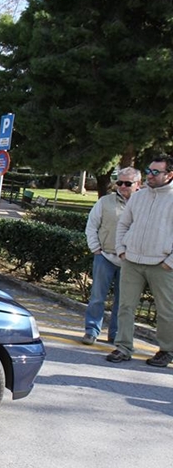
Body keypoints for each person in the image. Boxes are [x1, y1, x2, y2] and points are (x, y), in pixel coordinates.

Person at [106, 156, 173, 367]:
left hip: (162, 264)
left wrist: (170, 261)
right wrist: (121, 250)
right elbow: (124, 224)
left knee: (166, 310)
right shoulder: (138, 197)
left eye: (156, 172)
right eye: (149, 170)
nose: (150, 175)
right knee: (125, 306)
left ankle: (167, 350)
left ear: (169, 175)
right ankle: (123, 347)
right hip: (132, 260)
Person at [81, 167, 141, 345]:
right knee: (97, 297)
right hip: (105, 257)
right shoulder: (105, 201)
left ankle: (115, 334)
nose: (122, 186)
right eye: (119, 182)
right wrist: (95, 248)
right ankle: (91, 331)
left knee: (123, 301)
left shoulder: (144, 205)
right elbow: (92, 225)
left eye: (127, 183)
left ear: (138, 184)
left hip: (130, 261)